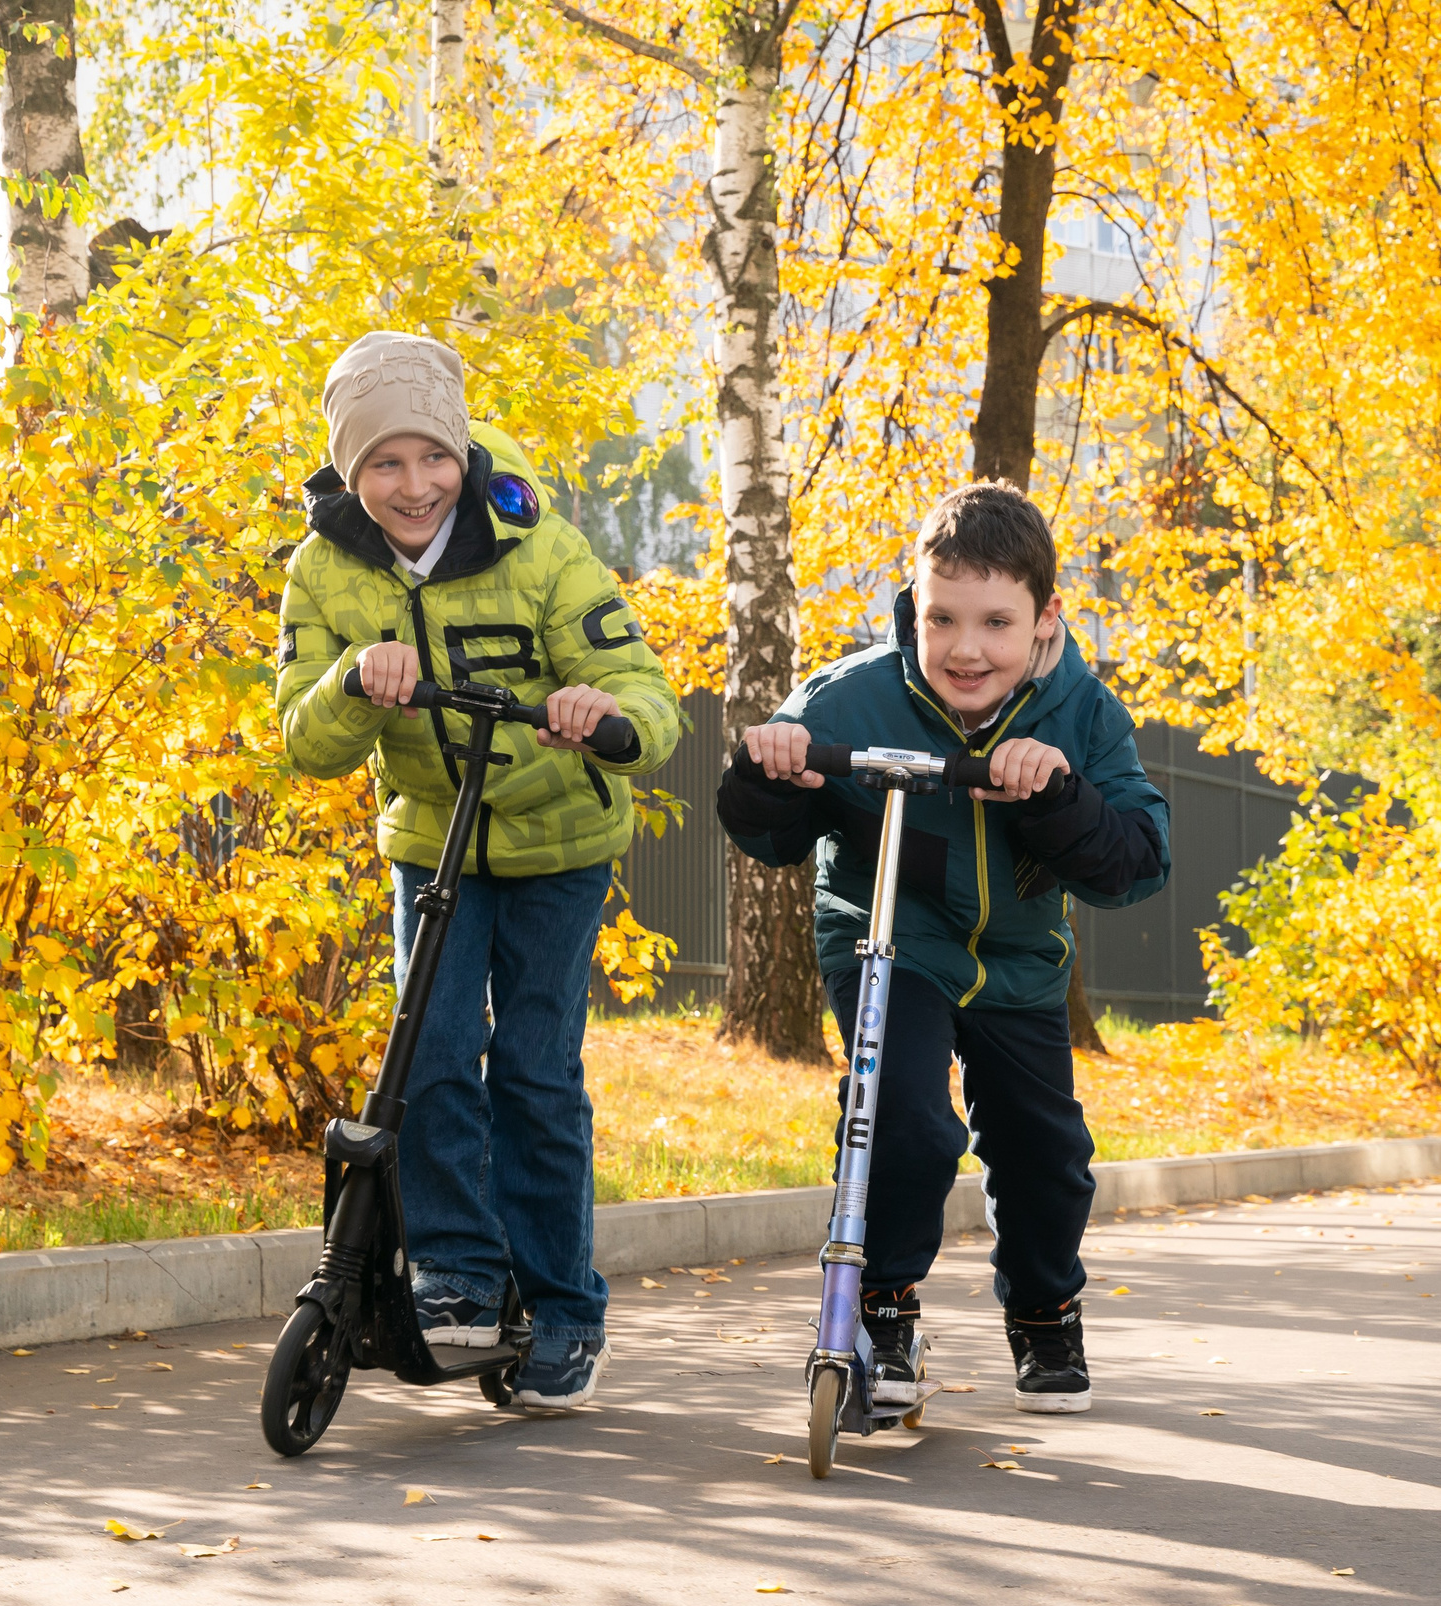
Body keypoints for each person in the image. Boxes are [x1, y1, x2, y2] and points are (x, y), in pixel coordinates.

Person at [276, 331, 681, 1410]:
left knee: (535, 1070)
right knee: (435, 1053)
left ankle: (562, 1306)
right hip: (432, 840)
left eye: (431, 458)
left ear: (459, 452)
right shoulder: (323, 570)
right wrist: (355, 682)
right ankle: (458, 1266)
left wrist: (600, 717)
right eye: (384, 465)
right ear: (351, 472)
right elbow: (303, 741)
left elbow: (642, 688)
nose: (413, 487)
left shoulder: (534, 544)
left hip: (557, 843)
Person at [715, 481, 1169, 1413]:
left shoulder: (1081, 712)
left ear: (1046, 619)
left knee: (1045, 1151)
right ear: (912, 610)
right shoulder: (851, 698)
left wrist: (1059, 798)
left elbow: (1137, 863)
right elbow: (766, 837)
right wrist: (773, 774)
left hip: (1016, 961)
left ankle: (1044, 1312)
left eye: (997, 622)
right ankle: (879, 1309)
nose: (967, 649)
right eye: (942, 619)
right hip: (888, 941)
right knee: (904, 1121)